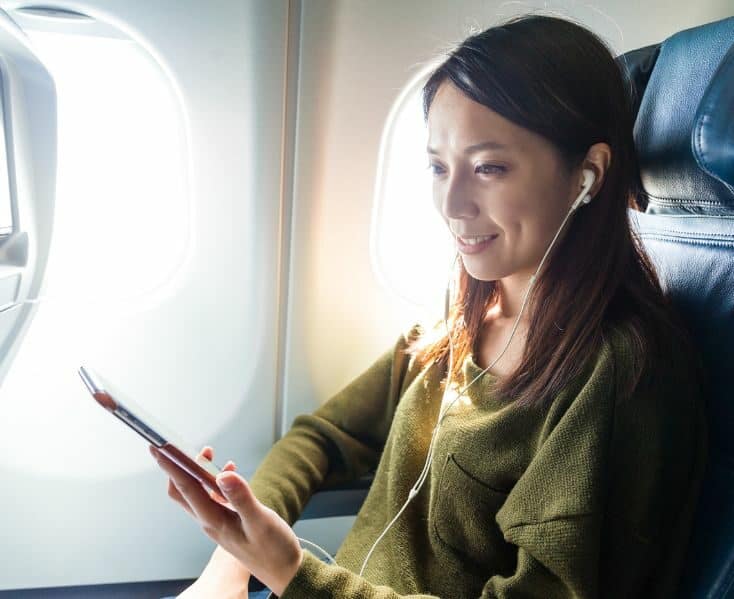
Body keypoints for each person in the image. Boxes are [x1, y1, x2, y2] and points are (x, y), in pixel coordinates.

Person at [151, 13, 708, 598]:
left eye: (489, 168)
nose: (452, 203)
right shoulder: (460, 322)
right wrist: (232, 561)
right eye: (439, 167)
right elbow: (323, 435)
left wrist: (290, 570)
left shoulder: (619, 380)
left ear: (587, 176)